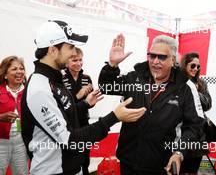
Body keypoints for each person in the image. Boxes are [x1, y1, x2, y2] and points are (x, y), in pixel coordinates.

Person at [21, 20, 146, 175]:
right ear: (53, 50)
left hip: (71, 168)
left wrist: (85, 104)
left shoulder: (53, 79)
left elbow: (65, 115)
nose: (74, 53)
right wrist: (114, 117)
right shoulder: (40, 89)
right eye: (71, 47)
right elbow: (70, 140)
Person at [98, 34, 205, 175]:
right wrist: (112, 66)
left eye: (161, 57)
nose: (155, 61)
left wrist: (179, 152)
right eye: (152, 56)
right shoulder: (134, 77)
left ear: (173, 60)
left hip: (162, 165)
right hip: (128, 161)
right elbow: (106, 87)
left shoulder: (185, 87)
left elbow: (194, 126)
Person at [179, 52, 212, 174]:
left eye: (198, 66)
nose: (196, 69)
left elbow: (208, 104)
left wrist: (194, 92)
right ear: (185, 65)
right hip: (180, 133)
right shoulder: (177, 82)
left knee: (193, 169)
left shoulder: (201, 83)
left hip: (198, 135)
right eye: (193, 66)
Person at [62, 47, 93, 175]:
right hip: (67, 124)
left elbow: (90, 103)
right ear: (66, 62)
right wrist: (78, 96)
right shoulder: (61, 78)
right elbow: (62, 104)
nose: (79, 63)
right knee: (71, 157)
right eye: (74, 60)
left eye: (80, 60)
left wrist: (91, 100)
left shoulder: (87, 78)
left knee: (85, 158)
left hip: (84, 122)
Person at [0, 56, 29, 174]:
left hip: (21, 142)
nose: (19, 72)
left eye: (21, 68)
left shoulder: (30, 91)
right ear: (5, 75)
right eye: (14, 69)